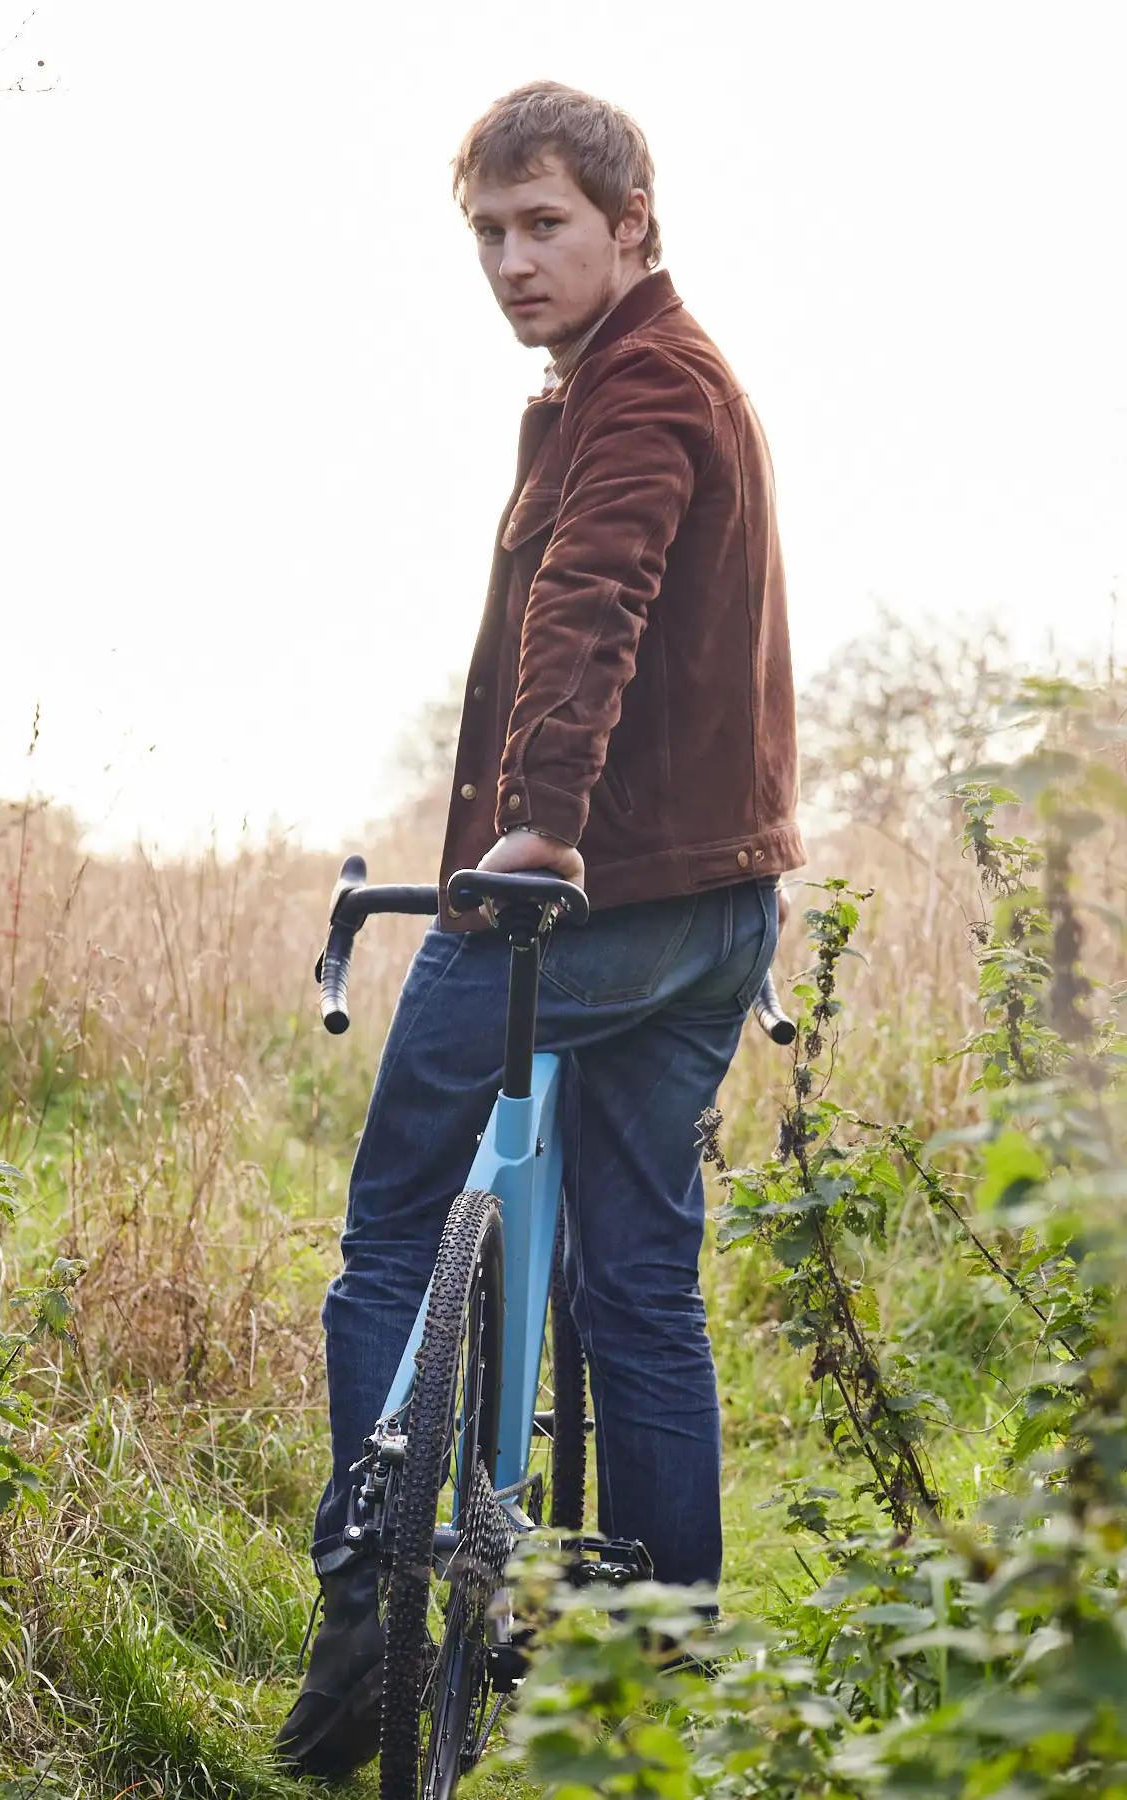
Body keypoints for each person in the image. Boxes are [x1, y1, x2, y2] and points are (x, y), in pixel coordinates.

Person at [277, 79, 804, 1778]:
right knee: (642, 1283)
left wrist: (536, 827)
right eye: (487, 234)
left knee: (387, 1229)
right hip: (720, 909)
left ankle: (361, 1606)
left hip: (598, 899)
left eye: (543, 225)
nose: (509, 261)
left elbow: (598, 599)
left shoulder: (642, 389)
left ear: (629, 225)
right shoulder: (663, 373)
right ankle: (662, 1677)